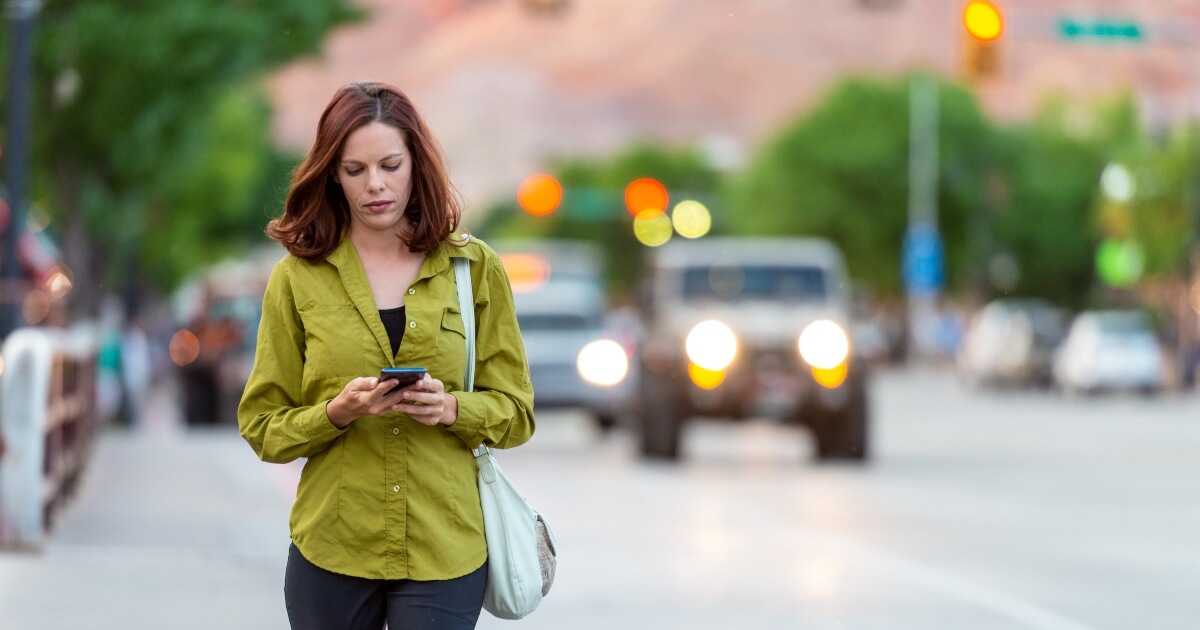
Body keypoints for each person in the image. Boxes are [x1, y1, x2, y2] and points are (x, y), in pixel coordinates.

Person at [237, 81, 535, 630]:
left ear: (415, 164)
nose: (375, 185)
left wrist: (451, 409)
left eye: (390, 165)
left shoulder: (474, 269)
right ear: (332, 174)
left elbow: (518, 415)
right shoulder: (296, 279)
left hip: (444, 547)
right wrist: (336, 413)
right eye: (355, 170)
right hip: (334, 544)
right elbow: (262, 426)